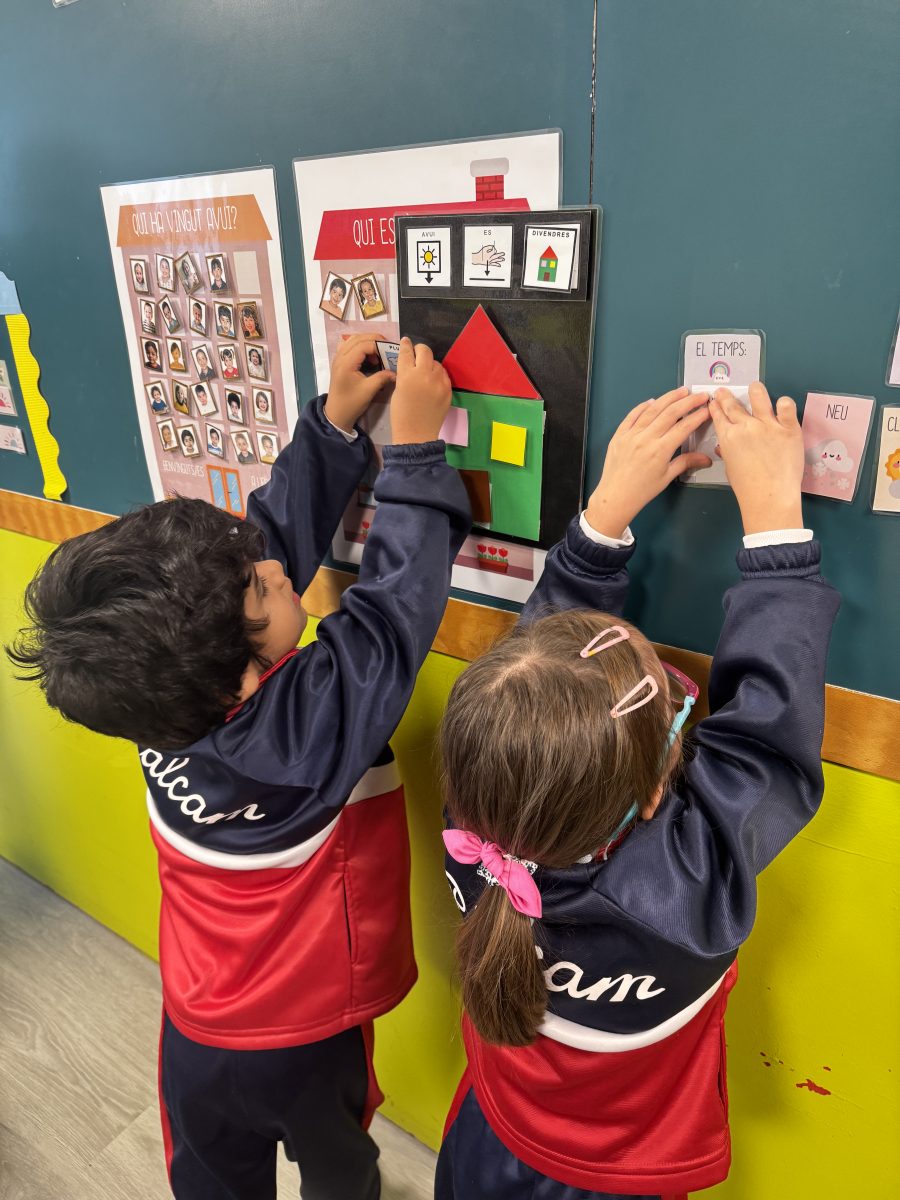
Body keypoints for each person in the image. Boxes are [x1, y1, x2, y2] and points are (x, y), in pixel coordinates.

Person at [6, 334, 466, 1200]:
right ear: (245, 677)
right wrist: (411, 452)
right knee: (341, 1171)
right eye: (260, 585)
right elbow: (391, 616)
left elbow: (255, 560)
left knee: (212, 1180)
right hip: (306, 1034)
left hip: (196, 1024)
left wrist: (333, 428)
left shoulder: (159, 693)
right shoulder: (306, 732)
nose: (273, 568)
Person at [436, 383, 840, 1200]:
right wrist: (777, 532)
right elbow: (768, 747)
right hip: (621, 1175)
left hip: (490, 1136)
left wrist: (599, 526)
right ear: (658, 792)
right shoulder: (683, 889)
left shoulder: (478, 823)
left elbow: (533, 699)